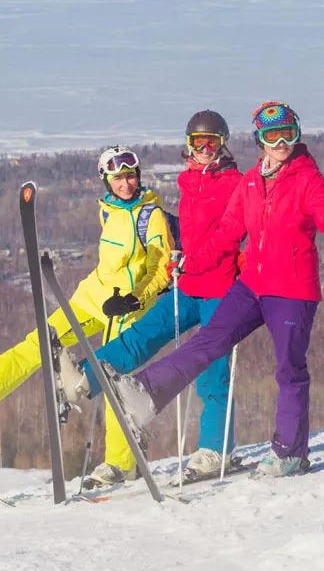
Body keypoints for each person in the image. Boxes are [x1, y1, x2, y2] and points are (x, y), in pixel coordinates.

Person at [86, 101, 324, 478]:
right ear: (260, 140)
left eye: (288, 134)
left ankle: (290, 452)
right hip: (253, 284)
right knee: (209, 341)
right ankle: (146, 392)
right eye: (272, 135)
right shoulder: (252, 181)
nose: (281, 142)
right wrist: (190, 264)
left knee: (289, 369)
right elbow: (226, 234)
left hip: (293, 289)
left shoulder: (306, 178)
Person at [0, 145, 173, 486]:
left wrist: (134, 298)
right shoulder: (107, 210)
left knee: (113, 376)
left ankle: (120, 462)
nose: (126, 184)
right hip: (92, 298)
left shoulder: (151, 214)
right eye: (118, 179)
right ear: (106, 181)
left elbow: (161, 266)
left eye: (130, 176)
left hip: (126, 308)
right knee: (41, 340)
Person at [56, 110, 245, 483]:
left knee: (212, 370)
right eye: (197, 143)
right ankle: (85, 379)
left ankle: (216, 448)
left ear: (223, 144)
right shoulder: (189, 180)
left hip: (222, 288)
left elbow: (238, 230)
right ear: (188, 145)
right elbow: (187, 227)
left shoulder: (235, 183)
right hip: (189, 283)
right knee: (141, 335)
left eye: (211, 143)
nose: (204, 150)